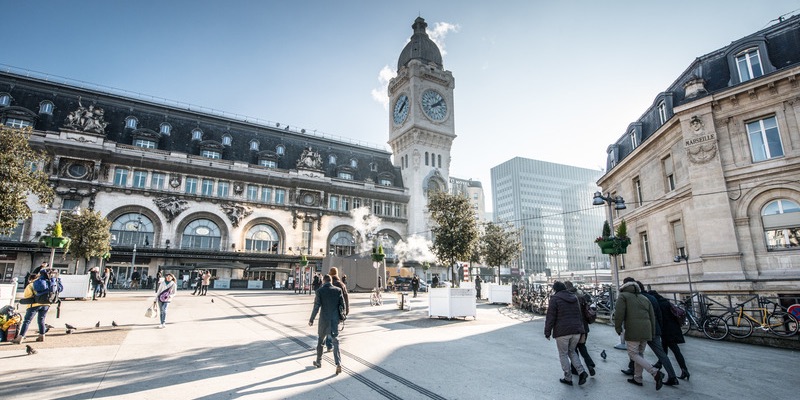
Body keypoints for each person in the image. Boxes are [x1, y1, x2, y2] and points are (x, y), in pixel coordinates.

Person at [614, 279, 664, 390]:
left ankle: (654, 372)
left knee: (632, 354)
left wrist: (618, 327)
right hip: (646, 329)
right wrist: (652, 331)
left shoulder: (623, 296)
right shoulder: (644, 297)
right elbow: (652, 316)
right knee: (640, 354)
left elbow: (619, 313)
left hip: (633, 329)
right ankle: (638, 378)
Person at [543, 281, 588, 386]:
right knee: (572, 351)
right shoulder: (574, 297)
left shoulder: (555, 299)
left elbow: (550, 317)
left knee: (563, 353)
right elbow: (579, 314)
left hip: (562, 331)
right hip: (576, 330)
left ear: (555, 289)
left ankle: (568, 378)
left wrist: (547, 332)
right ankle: (581, 372)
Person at [309, 274, 345, 374]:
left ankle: (319, 361)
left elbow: (316, 306)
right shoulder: (338, 290)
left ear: (323, 281)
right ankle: (338, 364)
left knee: (320, 341)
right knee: (335, 342)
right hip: (334, 320)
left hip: (324, 320)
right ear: (331, 281)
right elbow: (342, 305)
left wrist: (311, 319)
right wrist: (341, 317)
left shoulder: (320, 291)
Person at [651, 290, 690, 381]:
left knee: (673, 350)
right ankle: (660, 364)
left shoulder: (658, 305)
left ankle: (683, 370)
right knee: (666, 349)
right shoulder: (666, 302)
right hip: (674, 328)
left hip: (666, 330)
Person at [12, 269, 60, 344]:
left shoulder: (32, 285)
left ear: (30, 279)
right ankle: (42, 336)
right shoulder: (49, 283)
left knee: (27, 321)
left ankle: (20, 337)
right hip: (46, 305)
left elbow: (27, 296)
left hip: (33, 305)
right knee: (41, 320)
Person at [565, 281, 596, 377]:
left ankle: (575, 369)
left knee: (573, 349)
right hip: (584, 328)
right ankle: (589, 364)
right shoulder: (581, 295)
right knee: (582, 346)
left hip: (574, 327)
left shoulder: (569, 298)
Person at [325, 267, 349, 352]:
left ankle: (329, 344)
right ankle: (331, 344)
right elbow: (346, 298)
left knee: (329, 327)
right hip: (338, 311)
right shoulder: (341, 284)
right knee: (334, 327)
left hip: (328, 310)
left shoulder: (327, 284)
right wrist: (346, 311)